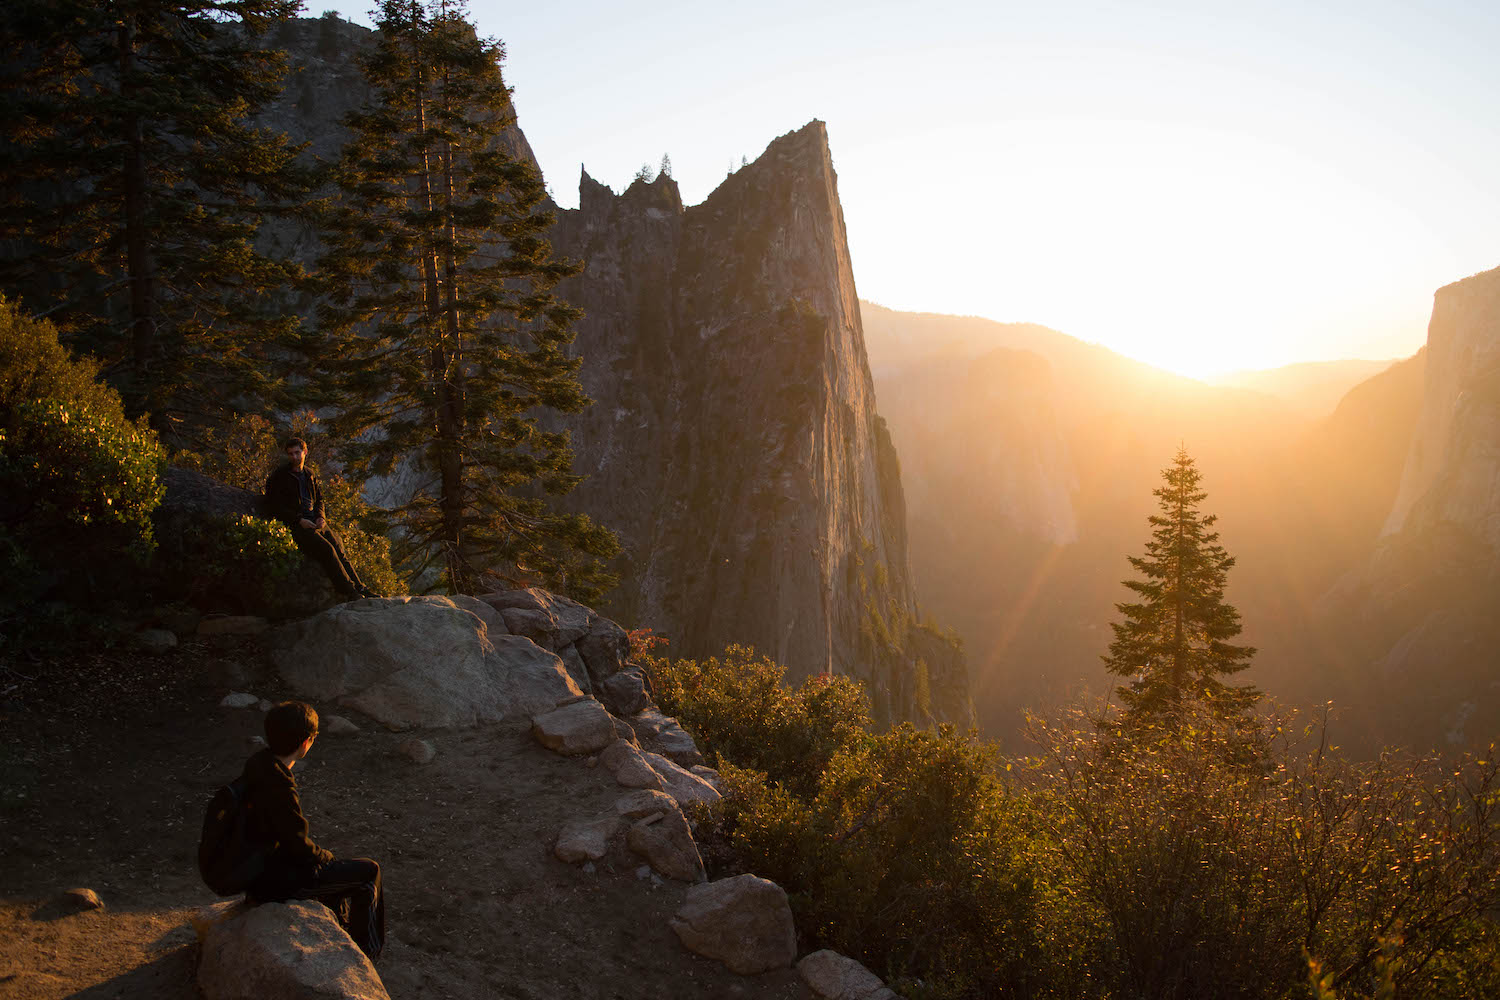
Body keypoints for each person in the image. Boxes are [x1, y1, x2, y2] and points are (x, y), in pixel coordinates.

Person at [243, 701, 386, 961]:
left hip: (257, 872)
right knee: (368, 873)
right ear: (305, 743)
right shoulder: (278, 786)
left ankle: (340, 931)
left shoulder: (258, 766)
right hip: (276, 882)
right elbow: (297, 845)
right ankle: (366, 953)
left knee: (334, 874)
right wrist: (324, 857)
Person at [265, 437, 377, 599]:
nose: (294, 457)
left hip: (314, 521)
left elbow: (319, 499)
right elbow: (274, 505)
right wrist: (298, 520)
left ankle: (361, 587)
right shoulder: (280, 476)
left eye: (297, 453)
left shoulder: (309, 474)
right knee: (327, 550)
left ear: (305, 452)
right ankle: (349, 591)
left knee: (339, 550)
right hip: (297, 525)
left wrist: (321, 517)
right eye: (290, 454)